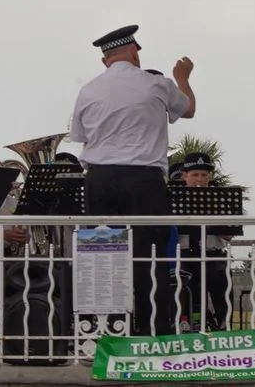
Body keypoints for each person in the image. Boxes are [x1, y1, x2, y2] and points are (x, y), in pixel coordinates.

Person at [69, 24, 195, 335]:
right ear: (135, 52)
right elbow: (188, 109)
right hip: (143, 180)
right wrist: (183, 77)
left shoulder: (89, 89)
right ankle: (154, 333)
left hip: (99, 180)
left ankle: (106, 332)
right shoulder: (156, 84)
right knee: (151, 260)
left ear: (105, 60)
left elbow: (80, 136)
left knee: (103, 259)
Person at [178, 151, 232, 331]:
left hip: (212, 254)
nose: (199, 179)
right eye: (194, 175)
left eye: (203, 175)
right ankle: (183, 322)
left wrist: (213, 215)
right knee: (179, 278)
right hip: (185, 254)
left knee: (220, 275)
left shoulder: (222, 200)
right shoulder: (175, 200)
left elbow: (229, 235)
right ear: (185, 176)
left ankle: (224, 322)